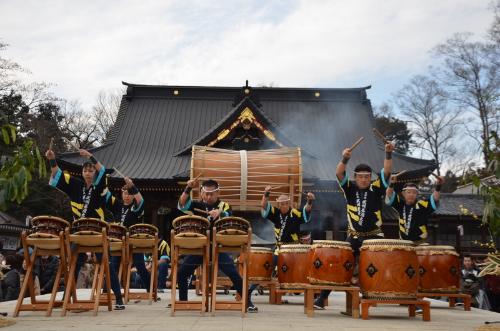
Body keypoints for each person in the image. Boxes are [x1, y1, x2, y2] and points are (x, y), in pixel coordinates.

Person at [314, 141, 394, 309]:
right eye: (360, 176)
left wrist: (388, 153)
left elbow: (386, 171)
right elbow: (339, 172)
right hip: (355, 236)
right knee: (339, 263)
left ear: (370, 178)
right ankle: (322, 298)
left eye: (366, 177)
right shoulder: (349, 188)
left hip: (374, 236)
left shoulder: (376, 188)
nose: (364, 179)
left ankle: (400, 295)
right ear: (355, 177)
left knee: (383, 263)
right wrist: (344, 158)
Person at [46, 147, 125, 309]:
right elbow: (58, 174)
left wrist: (90, 156)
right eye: (85, 169)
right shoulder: (75, 186)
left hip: (97, 231)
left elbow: (102, 170)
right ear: (82, 173)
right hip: (78, 232)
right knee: (72, 262)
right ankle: (67, 295)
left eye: (91, 170)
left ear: (94, 174)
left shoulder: (100, 188)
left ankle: (118, 298)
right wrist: (52, 159)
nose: (88, 172)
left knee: (108, 264)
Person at [177, 179, 246, 308]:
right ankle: (183, 302)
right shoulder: (196, 205)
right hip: (200, 247)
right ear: (202, 193)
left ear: (218, 193)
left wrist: (220, 213)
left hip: (217, 247)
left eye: (212, 194)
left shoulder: (223, 205)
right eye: (206, 194)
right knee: (182, 273)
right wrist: (188, 188)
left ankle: (248, 303)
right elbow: (182, 204)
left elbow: (230, 216)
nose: (208, 197)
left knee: (233, 273)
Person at [247, 187, 315, 312]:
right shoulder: (275, 213)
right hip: (280, 248)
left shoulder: (295, 213)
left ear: (289, 203)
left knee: (307, 270)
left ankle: (315, 297)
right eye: (281, 204)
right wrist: (266, 193)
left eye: (286, 203)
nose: (284, 206)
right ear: (278, 204)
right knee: (265, 269)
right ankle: (248, 295)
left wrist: (310, 201)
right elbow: (263, 205)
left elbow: (307, 211)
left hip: (294, 249)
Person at [105, 177, 151, 293]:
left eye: (129, 194)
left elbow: (141, 200)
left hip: (133, 240)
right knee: (113, 265)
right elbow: (106, 195)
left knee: (140, 266)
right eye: (125, 193)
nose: (127, 196)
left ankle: (151, 289)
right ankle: (107, 290)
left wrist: (132, 186)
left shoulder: (136, 207)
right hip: (118, 241)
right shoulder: (117, 205)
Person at [385, 176, 444, 244]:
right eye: (409, 192)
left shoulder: (422, 205)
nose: (411, 194)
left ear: (417, 194)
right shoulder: (400, 204)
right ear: (403, 194)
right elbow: (389, 194)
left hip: (420, 244)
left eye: (414, 192)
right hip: (403, 243)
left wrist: (438, 186)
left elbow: (435, 198)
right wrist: (391, 183)